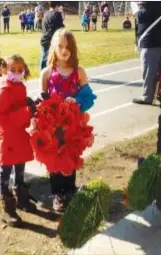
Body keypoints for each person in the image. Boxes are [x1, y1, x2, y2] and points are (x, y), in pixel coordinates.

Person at [38, 28, 96, 212]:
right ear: (53, 48)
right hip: (53, 128)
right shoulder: (47, 73)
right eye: (60, 46)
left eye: (68, 47)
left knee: (70, 155)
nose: (64, 50)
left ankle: (69, 189)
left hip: (73, 125)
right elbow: (43, 102)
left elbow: (88, 97)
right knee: (55, 158)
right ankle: (57, 194)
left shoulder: (78, 72)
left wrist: (77, 102)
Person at [0, 54, 37, 227]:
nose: (17, 73)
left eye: (20, 70)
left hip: (19, 134)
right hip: (8, 138)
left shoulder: (20, 87)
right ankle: (7, 208)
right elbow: (0, 118)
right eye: (12, 70)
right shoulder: (3, 90)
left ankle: (21, 198)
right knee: (4, 172)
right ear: (4, 69)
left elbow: (18, 106)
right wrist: (25, 112)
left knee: (20, 167)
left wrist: (29, 105)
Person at [133, 1, 161, 105]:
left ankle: (147, 96)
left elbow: (141, 17)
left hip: (150, 41)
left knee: (149, 71)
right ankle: (159, 93)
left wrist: (135, 8)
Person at [40, 1, 65, 71]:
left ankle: (43, 74)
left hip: (44, 38)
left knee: (44, 58)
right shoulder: (57, 14)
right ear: (57, 5)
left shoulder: (46, 14)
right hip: (53, 39)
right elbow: (61, 28)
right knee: (56, 58)